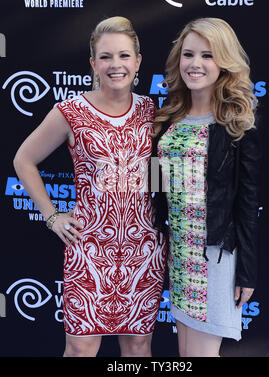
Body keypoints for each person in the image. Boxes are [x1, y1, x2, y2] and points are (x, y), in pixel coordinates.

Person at [13, 16, 166, 357]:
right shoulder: (70, 111)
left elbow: (160, 176)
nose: (116, 65)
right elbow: (23, 160)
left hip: (144, 251)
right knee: (81, 348)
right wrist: (51, 216)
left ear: (138, 61)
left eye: (124, 56)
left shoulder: (154, 112)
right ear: (93, 63)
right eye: (107, 56)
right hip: (89, 248)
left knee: (139, 346)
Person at [152, 17, 262, 357]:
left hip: (214, 258)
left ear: (224, 63)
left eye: (207, 55)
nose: (195, 64)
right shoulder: (168, 118)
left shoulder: (237, 126)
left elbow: (247, 202)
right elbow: (157, 182)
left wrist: (246, 270)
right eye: (188, 54)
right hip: (180, 255)